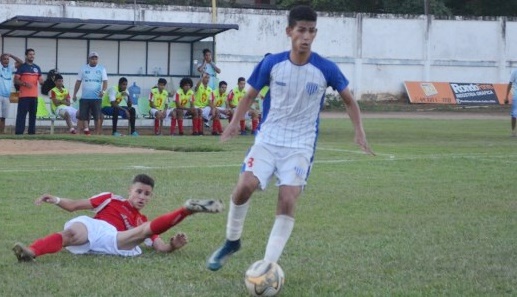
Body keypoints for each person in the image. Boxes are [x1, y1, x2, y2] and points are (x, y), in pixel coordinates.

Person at [206, 5, 374, 272]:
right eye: (301, 30)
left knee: (287, 198)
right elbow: (249, 95)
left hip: (300, 145)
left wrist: (359, 132)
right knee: (243, 187)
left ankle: (269, 265)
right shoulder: (272, 63)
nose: (306, 36)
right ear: (289, 32)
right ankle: (232, 241)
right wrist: (235, 123)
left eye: (311, 31)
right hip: (268, 139)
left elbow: (350, 101)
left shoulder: (326, 68)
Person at [13, 174, 224, 262]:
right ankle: (31, 251)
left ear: (151, 197)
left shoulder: (141, 218)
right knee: (70, 233)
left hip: (116, 239)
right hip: (95, 227)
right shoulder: (109, 198)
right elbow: (75, 206)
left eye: (147, 194)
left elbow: (159, 247)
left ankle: (186, 210)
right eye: (139, 191)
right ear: (130, 190)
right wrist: (56, 199)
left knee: (144, 230)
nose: (142, 197)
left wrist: (173, 247)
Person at [72, 52, 107, 135]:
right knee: (82, 116)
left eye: (96, 59)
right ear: (89, 59)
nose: (94, 60)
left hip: (97, 98)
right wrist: (74, 94)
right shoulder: (83, 68)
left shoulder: (102, 69)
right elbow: (78, 82)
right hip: (85, 97)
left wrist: (103, 91)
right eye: (92, 58)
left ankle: (97, 133)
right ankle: (78, 133)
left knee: (97, 117)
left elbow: (105, 82)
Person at [13, 49, 45, 135]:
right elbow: (16, 80)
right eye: (30, 54)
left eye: (33, 54)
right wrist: (24, 83)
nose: (32, 56)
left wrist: (42, 82)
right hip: (24, 96)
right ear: (26, 56)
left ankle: (31, 133)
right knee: (21, 115)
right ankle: (19, 133)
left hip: (34, 96)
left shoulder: (37, 68)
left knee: (33, 116)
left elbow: (40, 79)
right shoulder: (22, 67)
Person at [0, 53, 23, 134]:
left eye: (7, 59)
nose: (6, 60)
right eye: (4, 59)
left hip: (6, 96)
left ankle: (1, 133)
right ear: (1, 60)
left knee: (3, 117)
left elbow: (21, 62)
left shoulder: (10, 68)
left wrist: (12, 56)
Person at [505, 69, 517, 137]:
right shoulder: (514, 72)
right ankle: (513, 131)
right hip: (516, 95)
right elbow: (510, 84)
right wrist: (506, 96)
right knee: (514, 114)